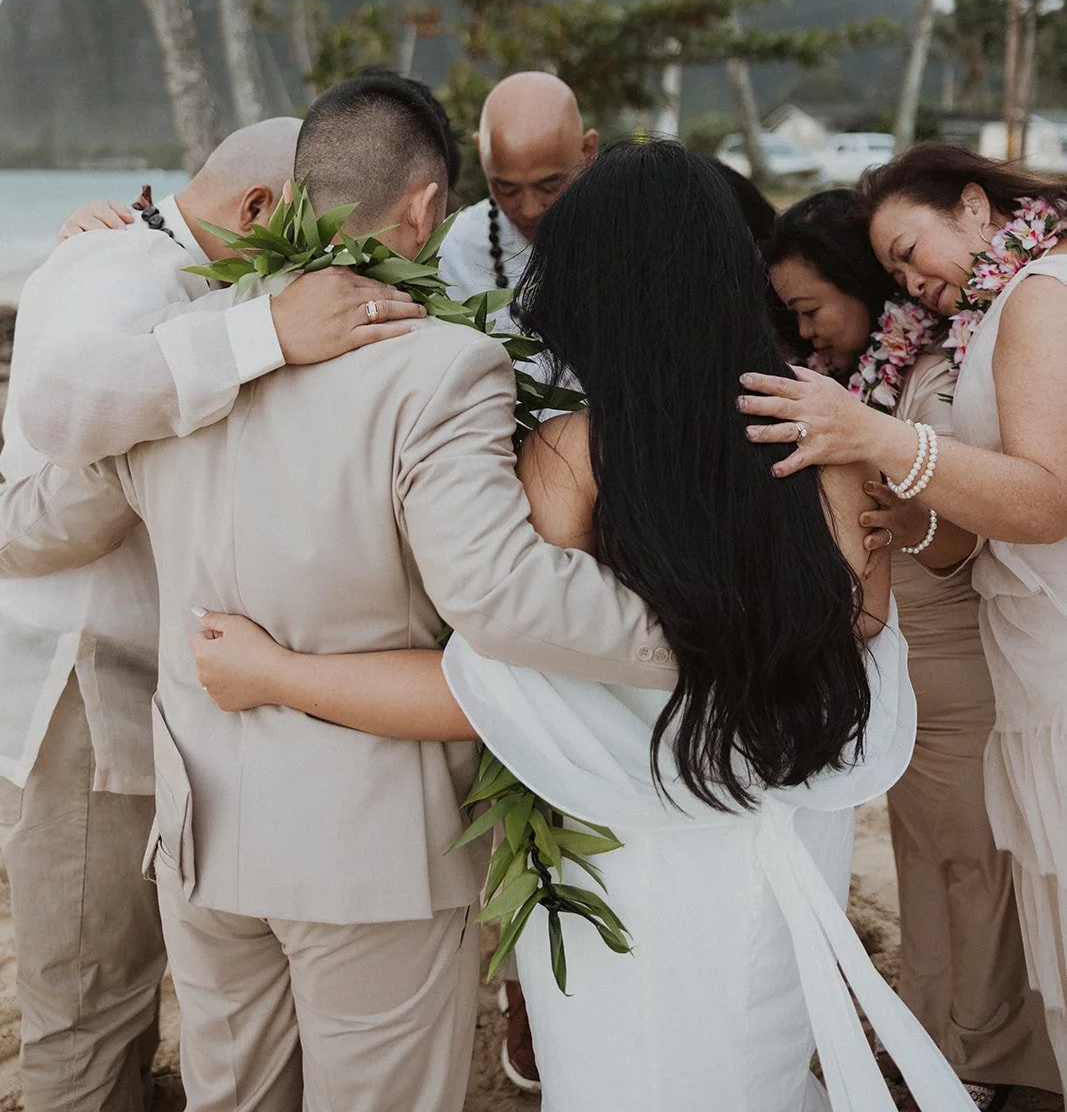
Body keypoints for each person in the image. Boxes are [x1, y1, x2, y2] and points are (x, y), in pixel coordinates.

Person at [185, 142, 978, 1112]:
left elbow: (488, 686)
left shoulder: (575, 455)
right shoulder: (829, 437)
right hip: (784, 832)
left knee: (626, 1075)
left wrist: (274, 673)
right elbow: (861, 624)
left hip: (623, 857)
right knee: (754, 1064)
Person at [0, 78, 680, 1112]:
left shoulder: (177, 355)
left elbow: (44, 516)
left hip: (203, 833)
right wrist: (687, 635)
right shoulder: (445, 367)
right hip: (369, 850)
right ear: (424, 207)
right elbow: (499, 596)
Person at [0, 116, 420, 1112]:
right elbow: (52, 446)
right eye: (309, 230)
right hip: (83, 687)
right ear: (259, 207)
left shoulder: (159, 268)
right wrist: (267, 337)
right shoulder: (126, 275)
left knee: (143, 985)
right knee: (89, 1001)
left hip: (169, 689)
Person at [739, 143, 1067, 1096]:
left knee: (989, 869)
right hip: (1006, 643)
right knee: (966, 868)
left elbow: (1039, 501)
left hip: (1012, 649)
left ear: (973, 206)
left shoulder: (1029, 301)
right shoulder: (993, 311)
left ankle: (980, 1056)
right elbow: (969, 534)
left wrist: (876, 441)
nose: (912, 281)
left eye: (908, 251)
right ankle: (950, 1042)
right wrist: (908, 513)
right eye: (893, 269)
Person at [439, 71, 597, 322]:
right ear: (483, 157)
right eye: (507, 189)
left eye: (549, 186)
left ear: (588, 152)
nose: (530, 209)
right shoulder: (450, 251)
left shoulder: (624, 238)